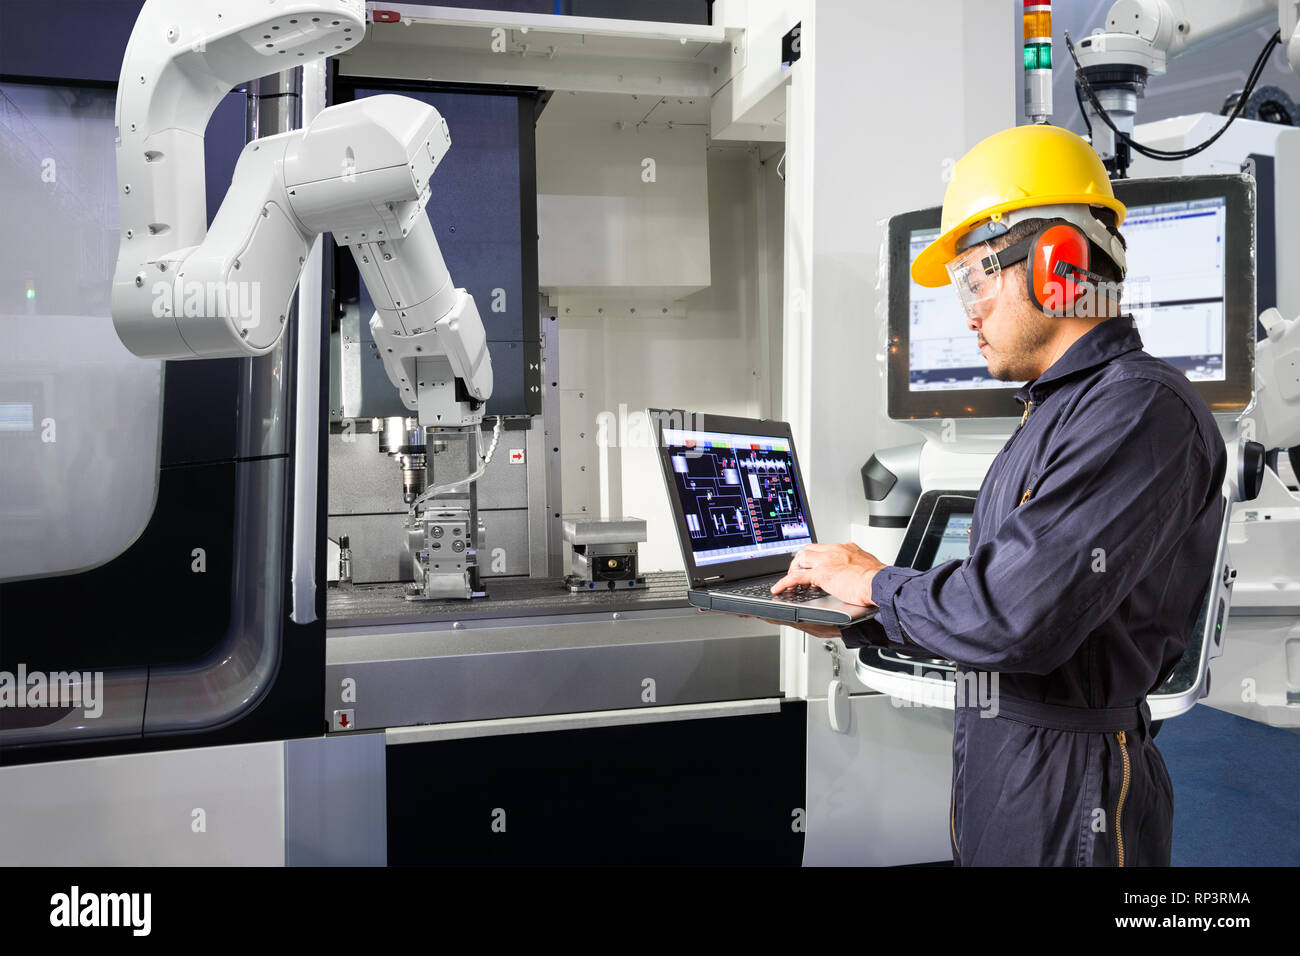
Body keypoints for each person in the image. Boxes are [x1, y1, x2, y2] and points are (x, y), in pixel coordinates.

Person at [771, 125, 1227, 866]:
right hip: (1011, 759)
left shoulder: (1140, 411)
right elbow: (1001, 604)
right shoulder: (1056, 411)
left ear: (1059, 263)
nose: (968, 311)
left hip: (1072, 785)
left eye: (976, 279)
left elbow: (1012, 617)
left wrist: (879, 585)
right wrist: (865, 615)